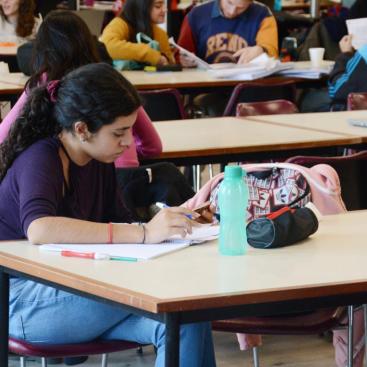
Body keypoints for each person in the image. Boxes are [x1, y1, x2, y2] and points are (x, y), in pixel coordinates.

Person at [0, 62, 216, 367]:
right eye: (119, 132)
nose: (129, 142)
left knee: (187, 317)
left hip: (70, 290)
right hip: (20, 304)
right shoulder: (41, 158)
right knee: (182, 294)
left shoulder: (97, 158)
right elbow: (40, 229)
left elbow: (121, 222)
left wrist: (174, 225)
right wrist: (145, 233)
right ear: (82, 129)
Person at [0, 10, 162, 174]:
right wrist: (126, 154)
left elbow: (2, 137)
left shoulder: (45, 83)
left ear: (42, 49)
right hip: (124, 177)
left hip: (67, 181)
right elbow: (153, 146)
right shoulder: (113, 81)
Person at [178, 0, 278, 66]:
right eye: (229, 3)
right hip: (206, 86)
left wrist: (261, 50)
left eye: (240, 8)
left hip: (247, 86)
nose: (232, 11)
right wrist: (183, 60)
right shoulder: (196, 15)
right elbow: (179, 54)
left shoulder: (263, 15)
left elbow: (271, 51)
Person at [100, 0, 175, 66]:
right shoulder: (120, 23)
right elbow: (107, 46)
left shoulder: (160, 33)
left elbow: (170, 62)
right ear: (141, 6)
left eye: (164, 5)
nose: (165, 10)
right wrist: (148, 54)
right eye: (158, 6)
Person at [328, 35, 367, 110]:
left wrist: (345, 55)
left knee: (306, 101)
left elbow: (336, 90)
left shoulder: (364, 54)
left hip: (357, 117)